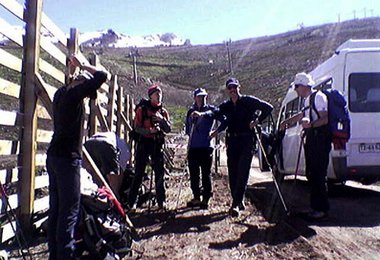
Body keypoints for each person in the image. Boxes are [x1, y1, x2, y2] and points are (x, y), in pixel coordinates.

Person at [46, 54, 107, 259]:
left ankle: (54, 255)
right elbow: (102, 75)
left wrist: (73, 73)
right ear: (81, 84)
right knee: (69, 211)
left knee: (55, 209)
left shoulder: (60, 94)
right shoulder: (74, 95)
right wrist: (83, 66)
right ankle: (65, 255)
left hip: (53, 156)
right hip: (67, 159)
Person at [203, 77, 273, 217]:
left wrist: (257, 121)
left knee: (243, 171)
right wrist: (202, 114)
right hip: (232, 141)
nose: (232, 90)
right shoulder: (227, 105)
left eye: (234, 87)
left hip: (247, 140)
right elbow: (215, 112)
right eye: (230, 88)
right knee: (233, 172)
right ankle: (238, 199)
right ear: (227, 90)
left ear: (238, 88)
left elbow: (268, 108)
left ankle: (235, 204)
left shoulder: (248, 101)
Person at [280, 72, 331, 220]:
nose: (296, 90)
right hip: (313, 139)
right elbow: (303, 115)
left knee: (318, 174)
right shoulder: (307, 100)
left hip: (320, 140)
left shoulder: (319, 97)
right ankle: (316, 207)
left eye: (297, 87)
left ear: (303, 86)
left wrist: (311, 125)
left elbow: (326, 118)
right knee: (311, 173)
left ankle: (321, 209)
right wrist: (287, 121)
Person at [128, 85, 171, 210]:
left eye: (160, 93)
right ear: (150, 96)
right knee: (139, 173)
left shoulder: (163, 112)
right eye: (156, 94)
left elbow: (168, 129)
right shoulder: (142, 109)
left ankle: (161, 201)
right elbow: (137, 128)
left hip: (157, 145)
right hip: (144, 144)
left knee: (159, 173)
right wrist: (149, 131)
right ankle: (132, 202)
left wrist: (162, 120)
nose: (159, 96)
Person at [185, 88, 225, 209]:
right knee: (194, 174)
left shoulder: (212, 110)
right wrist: (193, 121)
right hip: (193, 146)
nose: (201, 99)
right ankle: (196, 197)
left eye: (203, 96)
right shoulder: (191, 111)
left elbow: (224, 120)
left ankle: (206, 198)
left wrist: (216, 132)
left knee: (206, 173)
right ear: (195, 98)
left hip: (206, 147)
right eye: (199, 97)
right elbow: (187, 129)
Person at [83, 131, 131, 199]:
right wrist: (117, 189)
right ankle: (114, 205)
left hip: (88, 144)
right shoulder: (126, 153)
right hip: (107, 144)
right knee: (113, 185)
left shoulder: (118, 142)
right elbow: (119, 174)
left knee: (91, 179)